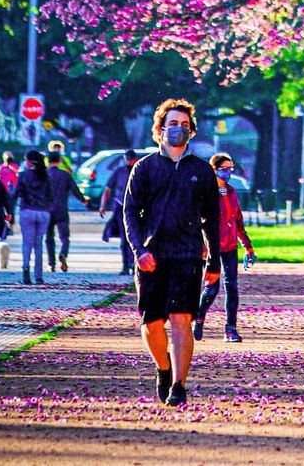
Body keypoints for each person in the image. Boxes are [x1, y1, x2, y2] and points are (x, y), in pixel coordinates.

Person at [123, 98, 221, 407]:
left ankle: (179, 384)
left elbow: (212, 219)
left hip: (188, 254)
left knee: (181, 319)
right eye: (172, 123)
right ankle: (163, 369)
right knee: (152, 323)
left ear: (192, 131)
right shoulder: (145, 168)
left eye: (184, 124)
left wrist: (214, 260)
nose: (178, 129)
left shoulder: (202, 171)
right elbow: (130, 213)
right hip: (151, 257)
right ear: (161, 129)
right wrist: (139, 251)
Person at [207, 152, 255, 342]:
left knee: (232, 287)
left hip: (229, 247)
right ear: (214, 170)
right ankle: (199, 319)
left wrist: (248, 247)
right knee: (211, 288)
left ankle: (230, 328)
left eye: (230, 169)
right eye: (224, 169)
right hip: (211, 247)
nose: (228, 172)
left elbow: (237, 221)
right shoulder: (206, 192)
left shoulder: (232, 192)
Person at [14, 147, 54, 285]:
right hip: (43, 213)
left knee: (27, 243)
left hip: (27, 211)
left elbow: (16, 193)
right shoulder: (45, 176)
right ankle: (39, 276)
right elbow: (51, 195)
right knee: (38, 244)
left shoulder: (23, 175)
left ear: (29, 162)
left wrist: (10, 213)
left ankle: (26, 269)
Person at [45, 148, 87, 272]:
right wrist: (83, 200)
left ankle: (51, 264)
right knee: (64, 237)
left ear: (48, 161)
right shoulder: (65, 175)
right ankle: (63, 253)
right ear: (59, 161)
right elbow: (75, 190)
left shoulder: (44, 175)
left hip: (47, 210)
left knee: (49, 237)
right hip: (62, 209)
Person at [100, 148, 139, 274]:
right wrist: (103, 205)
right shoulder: (119, 172)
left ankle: (133, 264)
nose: (128, 162)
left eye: (130, 160)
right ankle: (125, 266)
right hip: (120, 207)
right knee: (124, 237)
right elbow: (108, 189)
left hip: (135, 207)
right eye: (127, 160)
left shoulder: (139, 171)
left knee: (134, 237)